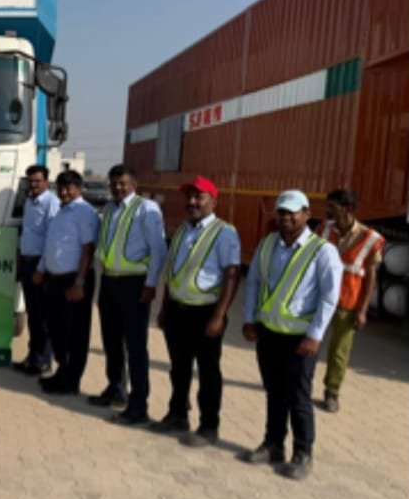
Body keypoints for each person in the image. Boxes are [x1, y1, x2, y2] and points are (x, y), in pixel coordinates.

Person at [238, 190, 342, 480]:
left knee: (298, 397)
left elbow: (329, 298)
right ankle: (273, 444)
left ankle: (303, 452)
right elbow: (253, 282)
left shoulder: (323, 251)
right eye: (281, 211)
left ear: (307, 214)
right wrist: (249, 319)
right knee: (274, 392)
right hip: (268, 334)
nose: (285, 217)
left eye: (292, 212)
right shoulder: (267, 244)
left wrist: (315, 336)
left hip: (299, 339)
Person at [150, 176, 241, 447]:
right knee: (179, 368)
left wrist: (218, 316)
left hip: (205, 313)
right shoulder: (182, 230)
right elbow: (172, 272)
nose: (192, 202)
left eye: (199, 197)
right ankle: (178, 415)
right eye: (189, 197)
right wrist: (164, 308)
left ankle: (209, 427)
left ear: (213, 201)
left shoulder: (224, 233)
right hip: (178, 310)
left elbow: (232, 275)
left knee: (208, 372)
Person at [90, 163, 167, 425]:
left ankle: (138, 404)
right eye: (113, 183)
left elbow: (158, 250)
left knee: (135, 346)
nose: (117, 188)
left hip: (134, 284)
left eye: (122, 183)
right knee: (111, 340)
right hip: (110, 282)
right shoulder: (110, 209)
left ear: (134, 184)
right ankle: (116, 389)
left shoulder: (147, 209)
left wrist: (151, 284)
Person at [31, 170, 100, 395]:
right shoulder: (61, 212)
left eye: (69, 187)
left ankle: (72, 381)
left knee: (75, 333)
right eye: (60, 187)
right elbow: (52, 244)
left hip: (74, 280)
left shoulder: (84, 212)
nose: (64, 192)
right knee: (56, 328)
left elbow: (88, 249)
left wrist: (79, 282)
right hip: (55, 280)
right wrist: (41, 268)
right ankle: (63, 370)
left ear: (79, 188)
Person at [318, 189, 384, 413]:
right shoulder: (323, 229)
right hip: (319, 299)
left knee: (339, 351)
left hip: (347, 303)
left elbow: (370, 278)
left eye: (333, 207)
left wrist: (363, 310)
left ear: (348, 209)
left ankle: (332, 392)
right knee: (308, 343)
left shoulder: (371, 239)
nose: (327, 210)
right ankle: (300, 383)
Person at [12, 165, 60, 375]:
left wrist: (41, 269)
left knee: (44, 317)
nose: (33, 184)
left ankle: (44, 361)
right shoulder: (29, 202)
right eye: (30, 181)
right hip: (27, 263)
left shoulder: (52, 203)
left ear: (46, 182)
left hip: (41, 265)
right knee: (33, 315)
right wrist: (20, 256)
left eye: (38, 181)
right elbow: (27, 231)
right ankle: (33, 357)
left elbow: (52, 238)